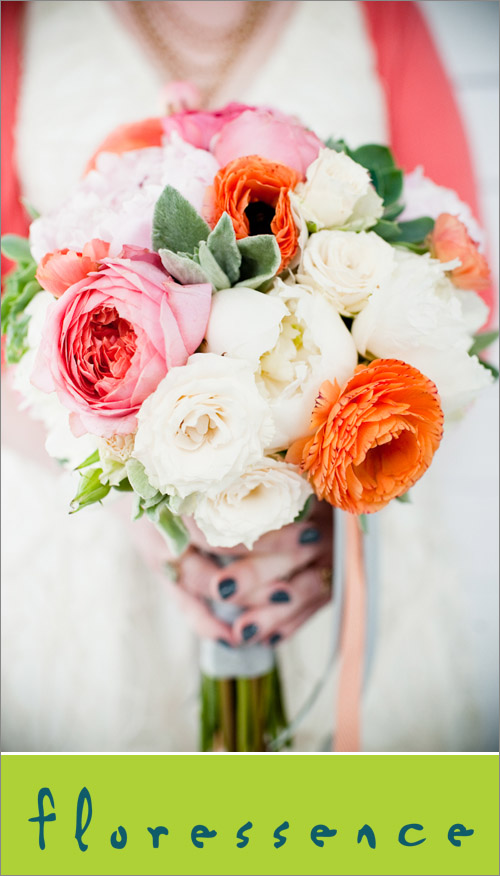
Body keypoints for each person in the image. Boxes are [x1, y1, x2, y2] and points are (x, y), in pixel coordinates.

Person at [1, 0, 497, 752]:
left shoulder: (386, 12)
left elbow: (462, 289)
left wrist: (337, 492)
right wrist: (145, 506)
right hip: (94, 554)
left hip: (347, 544)